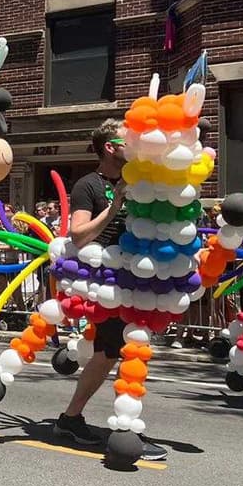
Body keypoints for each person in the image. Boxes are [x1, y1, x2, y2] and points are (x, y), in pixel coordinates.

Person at [53, 120, 167, 461]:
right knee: (127, 351)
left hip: (139, 279)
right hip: (108, 282)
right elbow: (78, 235)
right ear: (109, 146)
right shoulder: (88, 185)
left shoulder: (141, 179)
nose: (133, 146)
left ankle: (70, 419)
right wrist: (115, 206)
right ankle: (125, 431)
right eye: (126, 140)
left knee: (107, 355)